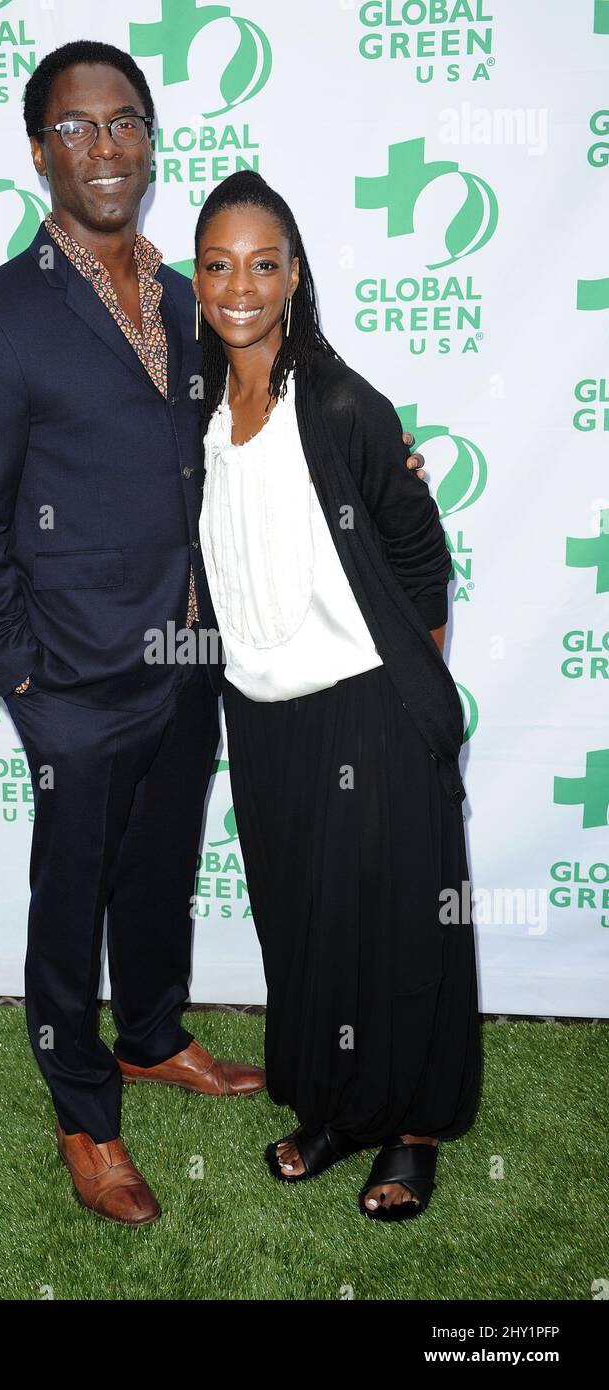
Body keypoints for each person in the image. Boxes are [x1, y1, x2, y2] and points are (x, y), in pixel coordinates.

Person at [0, 40, 427, 1228]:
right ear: (38, 148)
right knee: (72, 899)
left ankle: (151, 1035)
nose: (105, 148)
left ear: (152, 141)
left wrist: (377, 464)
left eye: (125, 124)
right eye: (76, 128)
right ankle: (86, 1115)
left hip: (195, 660)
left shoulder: (183, 294)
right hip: (74, 682)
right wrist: (21, 672)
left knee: (158, 879)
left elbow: (270, 406)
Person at [193, 170, 483, 1221]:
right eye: (218, 264)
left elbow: (417, 554)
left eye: (263, 263)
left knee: (399, 924)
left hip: (368, 700)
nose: (240, 285)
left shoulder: (346, 402)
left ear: (294, 274)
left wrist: (415, 690)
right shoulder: (197, 408)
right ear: (196, 276)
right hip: (263, 714)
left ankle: (409, 1133)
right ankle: (335, 1108)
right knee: (306, 921)